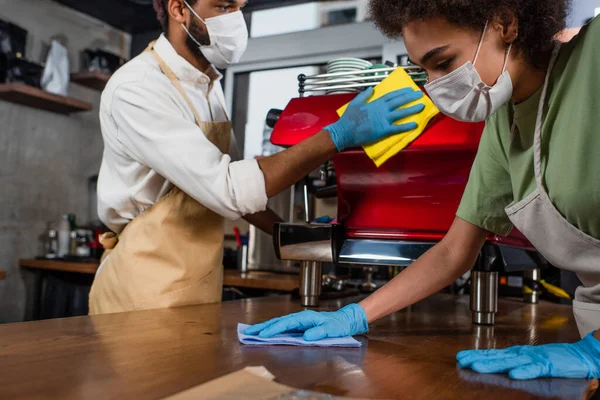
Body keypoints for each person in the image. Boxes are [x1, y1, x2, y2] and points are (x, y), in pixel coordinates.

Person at [246, 0, 600, 381]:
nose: (434, 86)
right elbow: (453, 252)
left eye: (444, 63)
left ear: (505, 24)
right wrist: (354, 314)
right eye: (424, 70)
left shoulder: (592, 58)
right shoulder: (505, 125)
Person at [88, 0, 425, 315]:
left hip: (195, 285)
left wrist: (287, 232)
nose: (236, 19)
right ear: (179, 9)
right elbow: (229, 190)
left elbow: (235, 178)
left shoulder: (206, 85)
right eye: (223, 6)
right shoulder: (139, 87)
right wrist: (337, 135)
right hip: (142, 289)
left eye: (240, 6)